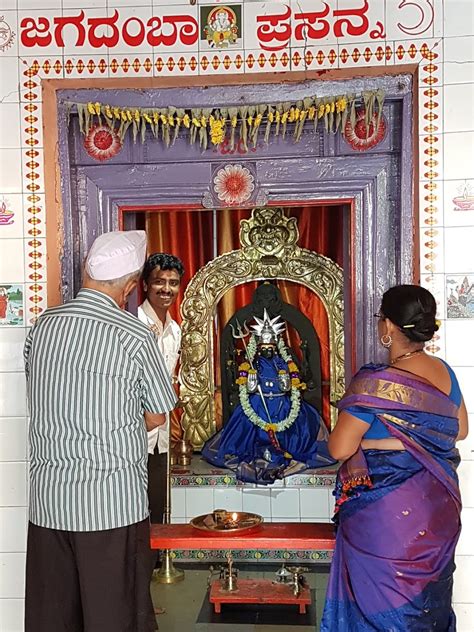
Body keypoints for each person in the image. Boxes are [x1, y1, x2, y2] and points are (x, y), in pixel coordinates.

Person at [24, 231, 177, 632]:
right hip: (110, 505)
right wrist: (115, 423)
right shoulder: (134, 334)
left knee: (54, 617)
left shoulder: (42, 327)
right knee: (115, 617)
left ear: (86, 272)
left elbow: (42, 397)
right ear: (130, 286)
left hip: (49, 503)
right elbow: (158, 415)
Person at [321, 284, 468, 631]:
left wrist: (373, 445)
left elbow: (338, 449)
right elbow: (458, 430)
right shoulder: (444, 372)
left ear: (387, 327)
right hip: (436, 512)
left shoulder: (375, 384)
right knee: (425, 607)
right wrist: (400, 443)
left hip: (384, 520)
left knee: (378, 609)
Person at [202, 309, 335, 484]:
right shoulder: (253, 364)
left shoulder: (282, 363)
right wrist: (251, 379)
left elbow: (288, 387)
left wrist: (284, 379)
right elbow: (248, 388)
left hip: (282, 404)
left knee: (300, 420)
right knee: (245, 425)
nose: (267, 351)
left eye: (270, 348)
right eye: (264, 348)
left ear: (276, 347)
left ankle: (286, 452)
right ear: (258, 348)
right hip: (258, 404)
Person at [137, 253, 184, 548]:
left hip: (162, 433)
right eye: (159, 282)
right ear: (145, 285)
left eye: (173, 283)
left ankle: (156, 564)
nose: (166, 289)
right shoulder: (133, 325)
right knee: (134, 503)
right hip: (135, 430)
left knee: (158, 501)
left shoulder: (175, 330)